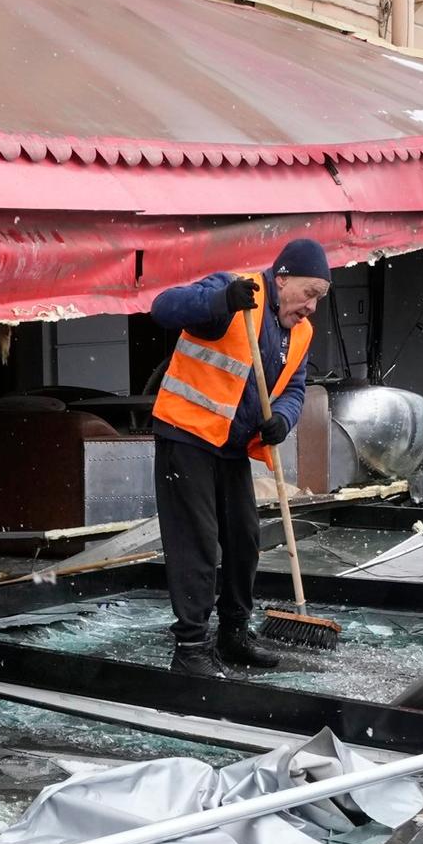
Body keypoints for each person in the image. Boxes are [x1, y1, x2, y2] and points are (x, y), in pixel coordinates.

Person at [147, 237, 330, 676]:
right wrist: (220, 301)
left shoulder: (300, 333)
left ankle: (233, 634)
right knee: (196, 543)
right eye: (309, 293)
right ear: (282, 278)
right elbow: (163, 306)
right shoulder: (237, 291)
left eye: (320, 298)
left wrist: (282, 420)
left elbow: (294, 388)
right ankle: (191, 649)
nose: (311, 307)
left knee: (244, 540)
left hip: (231, 446)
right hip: (187, 435)